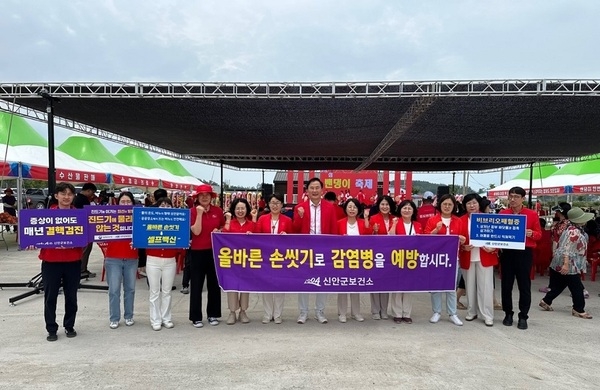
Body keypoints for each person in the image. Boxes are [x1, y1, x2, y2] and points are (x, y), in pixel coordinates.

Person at [38, 182, 83, 341]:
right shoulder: (45, 216)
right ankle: (51, 328)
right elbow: (36, 235)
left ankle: (69, 325)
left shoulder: (80, 215)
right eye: (63, 194)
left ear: (73, 196)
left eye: (70, 194)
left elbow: (86, 238)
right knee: (50, 296)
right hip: (51, 261)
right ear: (56, 196)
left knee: (71, 296)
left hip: (72, 261)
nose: (66, 197)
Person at [293, 178, 338, 324]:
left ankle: (320, 311)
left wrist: (332, 249)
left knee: (322, 281)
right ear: (307, 190)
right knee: (303, 281)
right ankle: (303, 312)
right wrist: (300, 217)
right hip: (305, 250)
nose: (314, 190)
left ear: (322, 190)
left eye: (317, 187)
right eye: (311, 188)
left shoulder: (330, 208)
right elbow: (295, 230)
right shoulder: (300, 207)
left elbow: (334, 230)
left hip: (323, 249)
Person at [498, 186, 542, 330]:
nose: (513, 199)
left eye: (516, 197)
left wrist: (531, 233)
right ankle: (508, 313)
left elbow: (539, 235)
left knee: (524, 286)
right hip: (507, 253)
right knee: (506, 285)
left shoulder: (532, 214)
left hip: (524, 252)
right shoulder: (503, 213)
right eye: (510, 196)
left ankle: (523, 316)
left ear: (523, 199)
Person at [539, 207, 593, 319]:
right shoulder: (574, 231)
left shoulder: (571, 228)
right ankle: (579, 309)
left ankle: (546, 300)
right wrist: (566, 264)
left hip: (566, 261)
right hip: (570, 263)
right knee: (577, 287)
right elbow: (567, 249)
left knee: (561, 284)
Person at [425, 194, 466, 326]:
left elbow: (464, 240)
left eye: (450, 204)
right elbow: (425, 238)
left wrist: (463, 240)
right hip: (436, 258)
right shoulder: (432, 220)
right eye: (444, 204)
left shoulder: (458, 221)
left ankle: (452, 313)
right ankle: (436, 311)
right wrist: (436, 230)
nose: (447, 207)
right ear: (440, 205)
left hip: (453, 258)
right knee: (436, 286)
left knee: (451, 286)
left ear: (454, 206)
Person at [459, 193, 499, 327]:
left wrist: (493, 249)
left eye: (474, 203)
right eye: (469, 203)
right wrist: (463, 246)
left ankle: (487, 314)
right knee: (469, 286)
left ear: (478, 204)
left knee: (486, 287)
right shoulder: (461, 220)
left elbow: (498, 238)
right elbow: (456, 239)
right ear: (465, 205)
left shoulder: (488, 218)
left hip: (485, 256)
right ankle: (472, 311)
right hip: (468, 256)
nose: (471, 205)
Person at [189, 184, 224, 328]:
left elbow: (223, 227)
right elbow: (196, 232)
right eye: (201, 195)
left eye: (207, 195)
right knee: (196, 285)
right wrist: (199, 214)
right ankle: (196, 317)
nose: (204, 197)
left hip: (214, 252)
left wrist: (220, 230)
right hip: (197, 252)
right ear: (197, 197)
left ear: (211, 197)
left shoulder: (218, 211)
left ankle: (213, 314)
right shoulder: (191, 212)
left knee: (214, 285)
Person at [255, 193, 293, 324]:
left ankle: (277, 314)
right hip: (265, 258)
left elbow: (293, 239)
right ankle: (267, 314)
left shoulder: (287, 220)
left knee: (279, 286)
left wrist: (287, 236)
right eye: (272, 202)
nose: (275, 205)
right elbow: (257, 237)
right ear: (268, 204)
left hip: (281, 258)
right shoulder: (262, 219)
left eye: (277, 203)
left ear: (282, 205)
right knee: (266, 286)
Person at [146, 197, 182, 330]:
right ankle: (155, 319)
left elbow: (180, 241)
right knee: (154, 291)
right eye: (162, 205)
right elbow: (142, 237)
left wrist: (184, 243)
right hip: (153, 259)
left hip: (170, 260)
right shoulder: (149, 221)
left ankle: (166, 318)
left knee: (167, 291)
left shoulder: (176, 223)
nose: (165, 207)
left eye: (168, 205)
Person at [103, 191, 138, 329]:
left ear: (133, 203)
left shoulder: (138, 217)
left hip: (131, 258)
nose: (125, 204)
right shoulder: (110, 216)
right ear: (118, 203)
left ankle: (129, 316)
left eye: (128, 202)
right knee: (114, 290)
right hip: (113, 258)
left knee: (130, 289)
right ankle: (114, 318)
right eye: (123, 202)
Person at [222, 197, 258, 325]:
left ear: (246, 209)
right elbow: (224, 236)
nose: (240, 211)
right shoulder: (229, 222)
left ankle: (243, 311)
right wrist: (227, 219)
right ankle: (232, 312)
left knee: (244, 286)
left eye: (243, 208)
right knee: (231, 286)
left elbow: (257, 236)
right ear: (233, 210)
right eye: (238, 208)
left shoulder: (251, 223)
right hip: (231, 260)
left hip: (247, 260)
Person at [336, 198, 371, 323]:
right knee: (343, 286)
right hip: (342, 259)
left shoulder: (361, 222)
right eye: (349, 207)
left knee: (356, 285)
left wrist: (366, 218)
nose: (352, 209)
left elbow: (368, 235)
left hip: (358, 259)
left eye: (354, 207)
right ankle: (342, 313)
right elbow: (333, 241)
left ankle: (356, 312)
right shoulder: (339, 223)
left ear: (358, 210)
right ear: (345, 208)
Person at [390, 199, 423, 324]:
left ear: (413, 210)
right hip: (397, 258)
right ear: (400, 210)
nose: (407, 210)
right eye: (404, 208)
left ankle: (406, 313)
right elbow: (390, 237)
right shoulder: (396, 222)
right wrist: (393, 224)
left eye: (409, 208)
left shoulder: (418, 225)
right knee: (397, 287)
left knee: (409, 287)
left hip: (412, 259)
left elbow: (423, 241)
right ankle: (397, 314)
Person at [368, 195, 397, 320]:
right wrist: (373, 231)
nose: (384, 207)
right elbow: (368, 238)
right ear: (378, 206)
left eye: (387, 204)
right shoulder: (373, 218)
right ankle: (375, 310)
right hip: (376, 255)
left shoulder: (395, 219)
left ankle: (384, 310)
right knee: (375, 282)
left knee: (386, 283)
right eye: (382, 204)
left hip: (390, 256)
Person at [74, 182, 98, 278]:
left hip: (80, 229)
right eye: (92, 193)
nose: (92, 195)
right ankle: (82, 270)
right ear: (88, 191)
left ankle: (82, 269)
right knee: (85, 250)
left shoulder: (77, 198)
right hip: (84, 229)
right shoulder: (82, 200)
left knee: (84, 250)